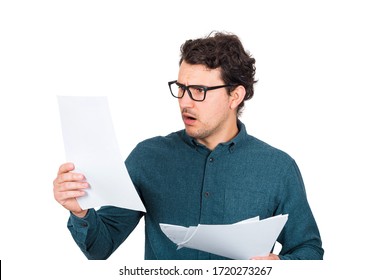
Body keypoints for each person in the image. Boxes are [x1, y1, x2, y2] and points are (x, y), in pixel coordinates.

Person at [53, 31, 324, 260]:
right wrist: (81, 211)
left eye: (199, 91)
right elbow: (100, 248)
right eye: (181, 88)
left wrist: (281, 266)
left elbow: (309, 248)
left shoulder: (278, 168)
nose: (185, 101)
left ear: (235, 96)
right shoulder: (147, 158)